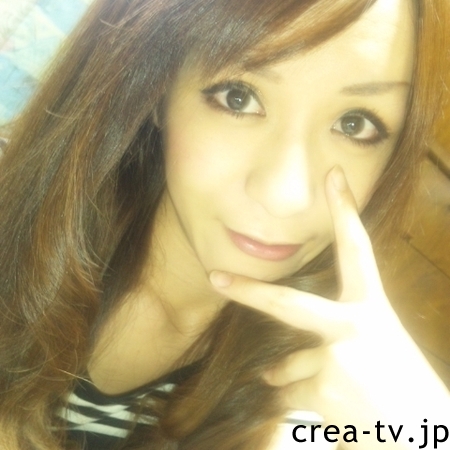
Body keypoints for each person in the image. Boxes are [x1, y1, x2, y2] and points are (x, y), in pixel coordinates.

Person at [0, 0, 449, 449]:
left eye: (354, 124)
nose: (286, 195)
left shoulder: (319, 403)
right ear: (157, 90)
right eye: (239, 97)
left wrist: (421, 431)